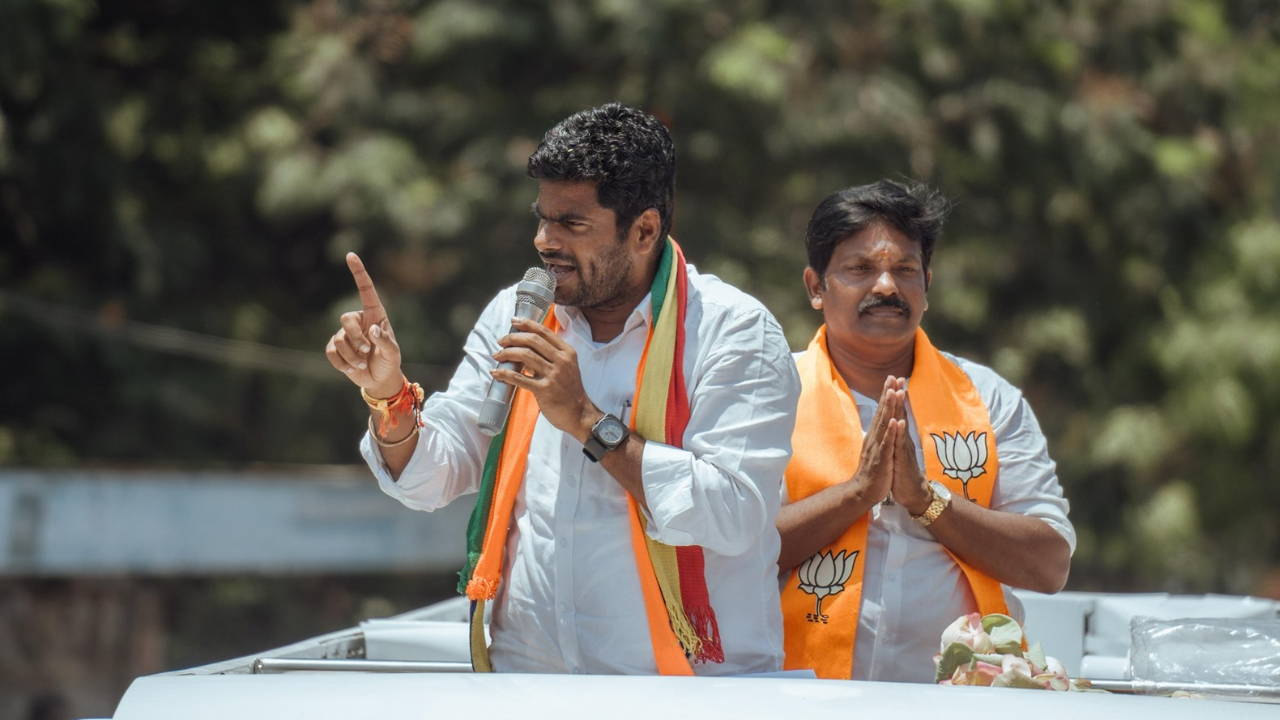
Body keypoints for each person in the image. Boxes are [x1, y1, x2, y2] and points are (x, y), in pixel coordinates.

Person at [325, 103, 800, 676]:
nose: (544, 241)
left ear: (645, 229)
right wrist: (389, 396)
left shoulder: (735, 331)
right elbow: (437, 474)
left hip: (689, 694)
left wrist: (585, 420)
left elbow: (734, 514)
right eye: (542, 218)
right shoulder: (518, 312)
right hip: (529, 685)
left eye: (571, 224)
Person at [777, 180, 1075, 683]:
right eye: (860, 269)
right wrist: (855, 495)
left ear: (927, 286)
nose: (887, 287)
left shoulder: (987, 399)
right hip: (797, 698)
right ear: (814, 287)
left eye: (906, 270)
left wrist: (925, 500)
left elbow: (1048, 565)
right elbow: (727, 552)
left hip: (960, 703)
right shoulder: (771, 394)